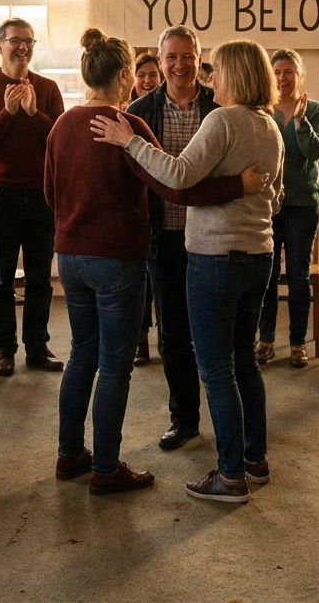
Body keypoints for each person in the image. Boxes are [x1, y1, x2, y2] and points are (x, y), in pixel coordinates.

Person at [46, 29, 251, 495]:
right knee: (116, 365)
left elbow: (49, 192)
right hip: (116, 259)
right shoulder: (128, 127)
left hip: (70, 257)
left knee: (82, 355)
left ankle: (68, 455)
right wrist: (238, 186)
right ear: (124, 75)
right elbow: (175, 187)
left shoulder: (61, 125)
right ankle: (105, 468)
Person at [93, 39, 284, 504]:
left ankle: (230, 476)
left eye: (214, 70)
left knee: (216, 369)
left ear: (235, 75)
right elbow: (275, 198)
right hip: (258, 254)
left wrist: (129, 141)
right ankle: (254, 459)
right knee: (242, 361)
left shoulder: (221, 119)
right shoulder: (270, 127)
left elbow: (178, 176)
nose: (207, 77)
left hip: (216, 257)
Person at [124, 26, 214, 451]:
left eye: (187, 56)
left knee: (214, 330)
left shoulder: (219, 105)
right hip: (163, 239)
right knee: (174, 333)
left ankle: (229, 418)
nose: (180, 65)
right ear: (158, 61)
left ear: (199, 57)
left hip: (211, 236)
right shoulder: (138, 110)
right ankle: (185, 419)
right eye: (171, 57)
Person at [0, 18, 66, 377]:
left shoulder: (48, 88)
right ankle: (3, 351)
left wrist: (32, 113)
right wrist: (7, 114)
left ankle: (37, 348)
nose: (22, 47)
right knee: (1, 280)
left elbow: (60, 142)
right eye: (15, 41)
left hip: (41, 195)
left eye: (28, 41)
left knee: (40, 279)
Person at [255, 49, 319, 368]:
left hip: (302, 205)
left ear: (300, 76)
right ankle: (266, 340)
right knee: (266, 277)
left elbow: (314, 151)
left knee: (298, 276)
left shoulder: (314, 109)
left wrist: (299, 122)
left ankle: (298, 343)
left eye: (289, 72)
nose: (283, 78)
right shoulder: (261, 110)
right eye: (277, 72)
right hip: (267, 206)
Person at [131, 54, 163, 364]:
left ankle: (168, 339)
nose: (147, 80)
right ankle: (140, 341)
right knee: (141, 282)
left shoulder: (161, 108)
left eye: (153, 74)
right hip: (139, 208)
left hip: (167, 201)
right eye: (141, 74)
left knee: (164, 282)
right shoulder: (130, 112)